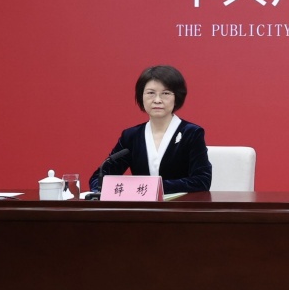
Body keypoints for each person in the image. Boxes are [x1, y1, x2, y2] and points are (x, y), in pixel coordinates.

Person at [90, 65, 213, 194]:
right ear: (141, 96)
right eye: (150, 93)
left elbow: (202, 181)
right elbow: (98, 177)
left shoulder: (191, 133)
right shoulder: (131, 136)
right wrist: (100, 189)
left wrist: (152, 187)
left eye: (165, 93)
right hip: (141, 206)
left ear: (176, 97)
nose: (157, 100)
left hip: (180, 205)